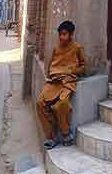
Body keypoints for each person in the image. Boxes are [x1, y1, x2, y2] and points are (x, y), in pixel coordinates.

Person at [35, 20, 86, 150]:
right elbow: (50, 65)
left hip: (68, 81)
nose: (62, 37)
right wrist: (50, 75)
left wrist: (72, 71)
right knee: (40, 103)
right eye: (60, 35)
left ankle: (65, 133)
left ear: (71, 34)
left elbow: (83, 66)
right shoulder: (56, 48)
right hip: (53, 81)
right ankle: (51, 136)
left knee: (62, 103)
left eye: (65, 34)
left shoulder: (77, 48)